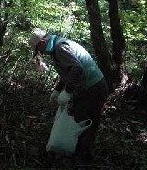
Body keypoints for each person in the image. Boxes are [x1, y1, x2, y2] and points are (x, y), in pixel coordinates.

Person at [29, 28, 108, 163]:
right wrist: (57, 90)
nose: (41, 53)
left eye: (39, 49)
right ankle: (78, 153)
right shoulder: (57, 47)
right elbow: (68, 72)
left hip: (94, 88)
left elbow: (77, 69)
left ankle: (82, 158)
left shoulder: (60, 48)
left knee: (82, 122)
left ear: (42, 42)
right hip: (89, 88)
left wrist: (67, 91)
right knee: (78, 118)